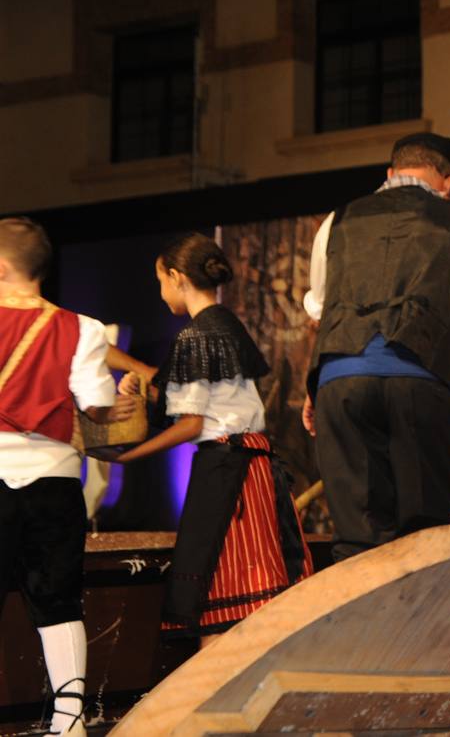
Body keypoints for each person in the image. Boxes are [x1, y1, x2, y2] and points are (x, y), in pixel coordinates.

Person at [302, 132, 450, 561]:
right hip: (418, 381)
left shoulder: (337, 220)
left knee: (357, 536)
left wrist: (313, 386)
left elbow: (322, 309)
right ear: (448, 181)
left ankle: (365, 627)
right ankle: (426, 627)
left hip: (341, 380)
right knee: (425, 532)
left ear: (390, 174)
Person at [114, 234, 312, 646]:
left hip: (227, 473)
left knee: (223, 595)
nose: (161, 292)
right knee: (253, 589)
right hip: (251, 468)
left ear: (176, 277)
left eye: (160, 281)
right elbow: (216, 400)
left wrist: (130, 455)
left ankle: (217, 698)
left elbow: (191, 424)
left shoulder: (195, 335)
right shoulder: (226, 324)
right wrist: (147, 391)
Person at [0, 217, 135, 737]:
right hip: (53, 481)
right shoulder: (83, 328)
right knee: (57, 600)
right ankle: (71, 718)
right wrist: (122, 401)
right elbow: (98, 409)